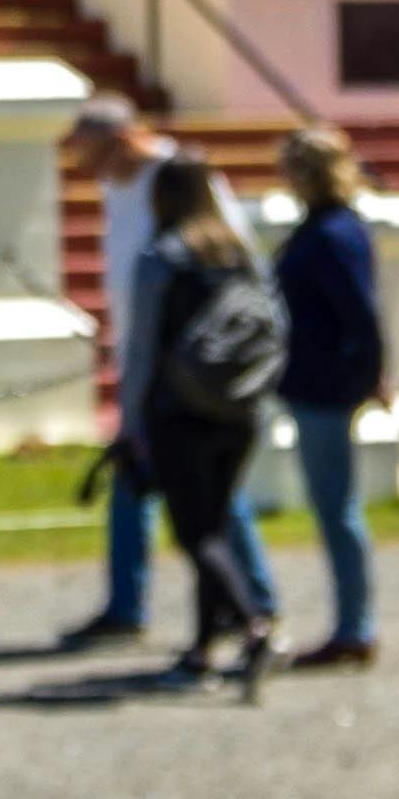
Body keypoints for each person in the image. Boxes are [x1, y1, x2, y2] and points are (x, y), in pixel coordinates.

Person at [51, 145, 281, 686]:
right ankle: (204, 649)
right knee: (217, 525)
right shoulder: (238, 254)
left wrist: (130, 421)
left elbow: (142, 348)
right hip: (238, 410)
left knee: (196, 534)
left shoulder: (163, 257)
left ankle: (253, 624)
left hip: (180, 412)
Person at [266, 121, 391, 672]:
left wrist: (367, 375)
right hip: (315, 379)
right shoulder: (328, 227)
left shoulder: (333, 233)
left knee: (336, 506)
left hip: (326, 384)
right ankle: (352, 623)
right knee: (333, 504)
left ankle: (354, 626)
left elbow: (360, 314)